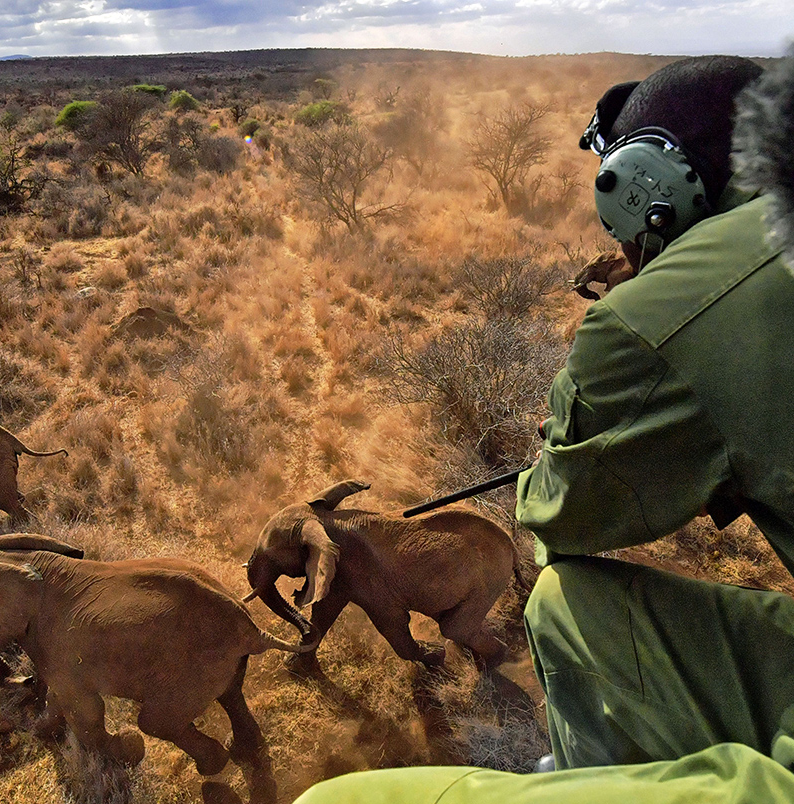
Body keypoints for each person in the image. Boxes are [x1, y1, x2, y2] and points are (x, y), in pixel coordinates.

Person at [295, 50, 794, 804]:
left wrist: (639, 314)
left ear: (645, 190)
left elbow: (561, 517)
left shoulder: (664, 311)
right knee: (566, 606)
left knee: (334, 803)